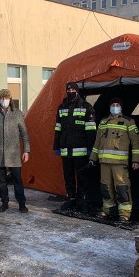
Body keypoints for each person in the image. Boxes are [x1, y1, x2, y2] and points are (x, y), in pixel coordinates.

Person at [89, 98, 139, 223]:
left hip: (120, 164)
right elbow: (97, 142)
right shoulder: (103, 122)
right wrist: (92, 158)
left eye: (117, 105)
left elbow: (136, 142)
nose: (115, 107)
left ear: (121, 107)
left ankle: (124, 214)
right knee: (105, 188)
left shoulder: (128, 122)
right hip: (104, 163)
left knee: (122, 188)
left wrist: (136, 160)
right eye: (113, 105)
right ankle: (108, 211)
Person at [0, 89, 30, 213]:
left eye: (7, 98)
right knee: (1, 181)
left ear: (10, 99)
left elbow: (24, 134)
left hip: (14, 153)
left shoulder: (17, 113)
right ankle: (4, 202)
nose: (5, 100)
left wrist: (26, 150)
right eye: (2, 98)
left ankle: (21, 203)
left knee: (17, 180)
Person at [53, 81, 97, 211]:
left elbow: (91, 131)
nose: (70, 92)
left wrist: (91, 149)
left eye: (73, 90)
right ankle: (71, 199)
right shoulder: (61, 107)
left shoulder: (86, 107)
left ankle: (82, 200)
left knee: (82, 177)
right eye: (68, 90)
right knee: (68, 177)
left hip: (81, 151)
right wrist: (56, 146)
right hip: (66, 151)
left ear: (77, 91)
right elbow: (58, 128)